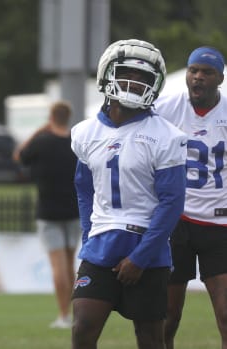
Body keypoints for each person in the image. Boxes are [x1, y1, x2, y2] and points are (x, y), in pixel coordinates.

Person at [70, 39, 187, 349]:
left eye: (143, 78)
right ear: (108, 75)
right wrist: (88, 234)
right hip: (101, 242)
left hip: (146, 243)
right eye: (127, 75)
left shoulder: (167, 136)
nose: (134, 83)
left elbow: (172, 202)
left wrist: (141, 256)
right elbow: (84, 188)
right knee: (82, 328)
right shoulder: (85, 132)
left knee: (150, 338)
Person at [153, 46, 227, 349]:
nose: (198, 77)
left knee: (225, 315)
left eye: (206, 72)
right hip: (176, 222)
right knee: (167, 318)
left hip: (219, 224)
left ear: (219, 78)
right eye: (193, 70)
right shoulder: (166, 108)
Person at [14, 100, 80, 329]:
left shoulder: (42, 141)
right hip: (74, 210)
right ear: (68, 117)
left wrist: (39, 130)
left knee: (58, 266)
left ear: (51, 117)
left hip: (48, 212)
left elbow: (19, 156)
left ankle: (63, 315)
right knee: (71, 265)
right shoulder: (75, 141)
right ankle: (75, 313)